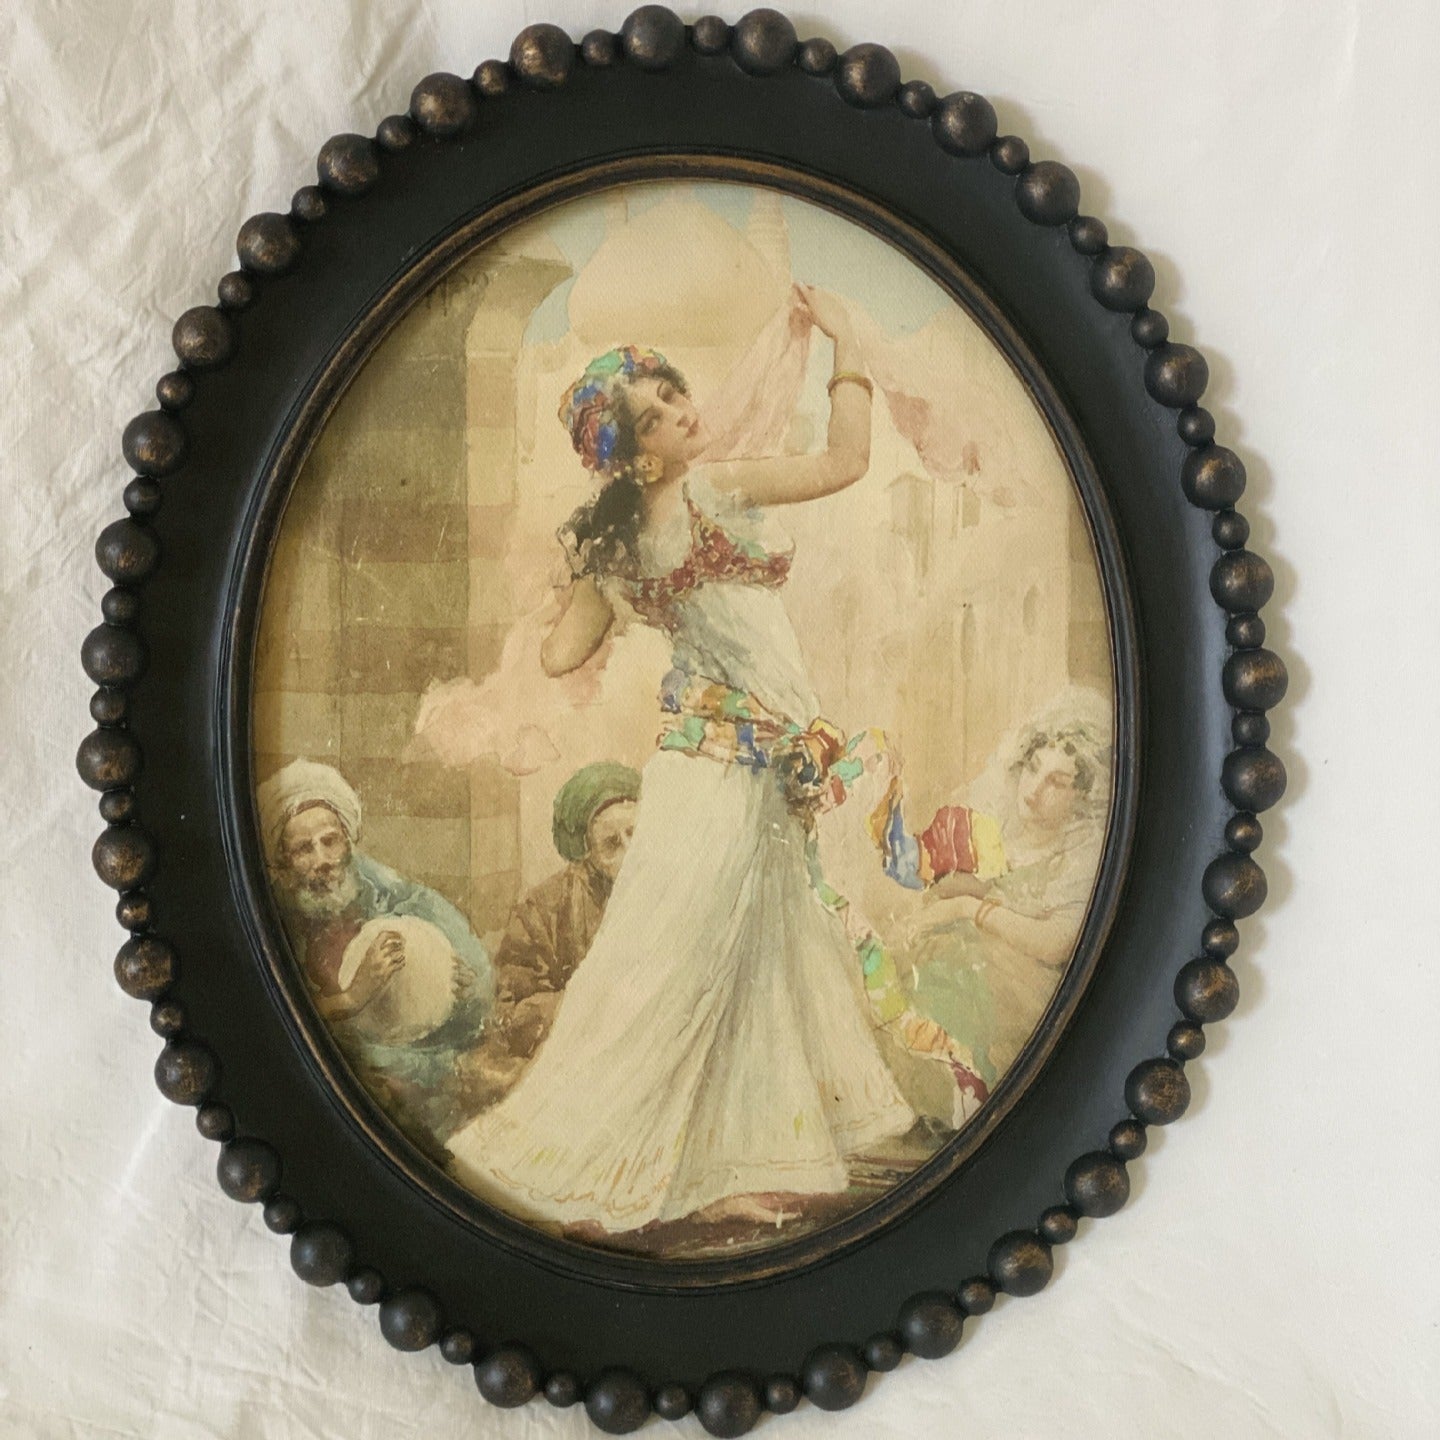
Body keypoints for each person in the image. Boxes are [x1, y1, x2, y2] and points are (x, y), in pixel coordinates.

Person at [446, 284, 943, 1238]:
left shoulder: (619, 542)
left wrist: (576, 579)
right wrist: (845, 340)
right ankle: (600, 1165)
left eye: (675, 395)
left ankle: (723, 1169)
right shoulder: (715, 491)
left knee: (755, 959)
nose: (683, 411)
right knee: (679, 965)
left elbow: (560, 656)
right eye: (658, 414)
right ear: (638, 455)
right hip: (716, 774)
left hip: (739, 768)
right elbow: (846, 461)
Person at [257, 758, 495, 1155]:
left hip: (420, 1056)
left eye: (330, 841)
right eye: (303, 849)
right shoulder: (276, 920)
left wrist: (462, 987)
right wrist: (352, 996)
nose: (322, 860)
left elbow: (471, 980)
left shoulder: (389, 895)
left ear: (348, 843)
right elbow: (273, 1015)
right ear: (282, 864)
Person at [901, 690, 1113, 1089]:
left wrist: (968, 908)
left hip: (1024, 995)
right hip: (965, 971)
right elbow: (969, 882)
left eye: (1057, 783)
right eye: (1033, 769)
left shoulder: (1083, 855)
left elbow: (1057, 943)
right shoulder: (1001, 827)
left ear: (1084, 796)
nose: (1034, 790)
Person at [484, 760, 641, 1075]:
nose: (630, 852)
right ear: (587, 854)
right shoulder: (541, 910)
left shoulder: (666, 889)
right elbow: (512, 1012)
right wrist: (588, 1003)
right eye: (611, 844)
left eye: (634, 834)